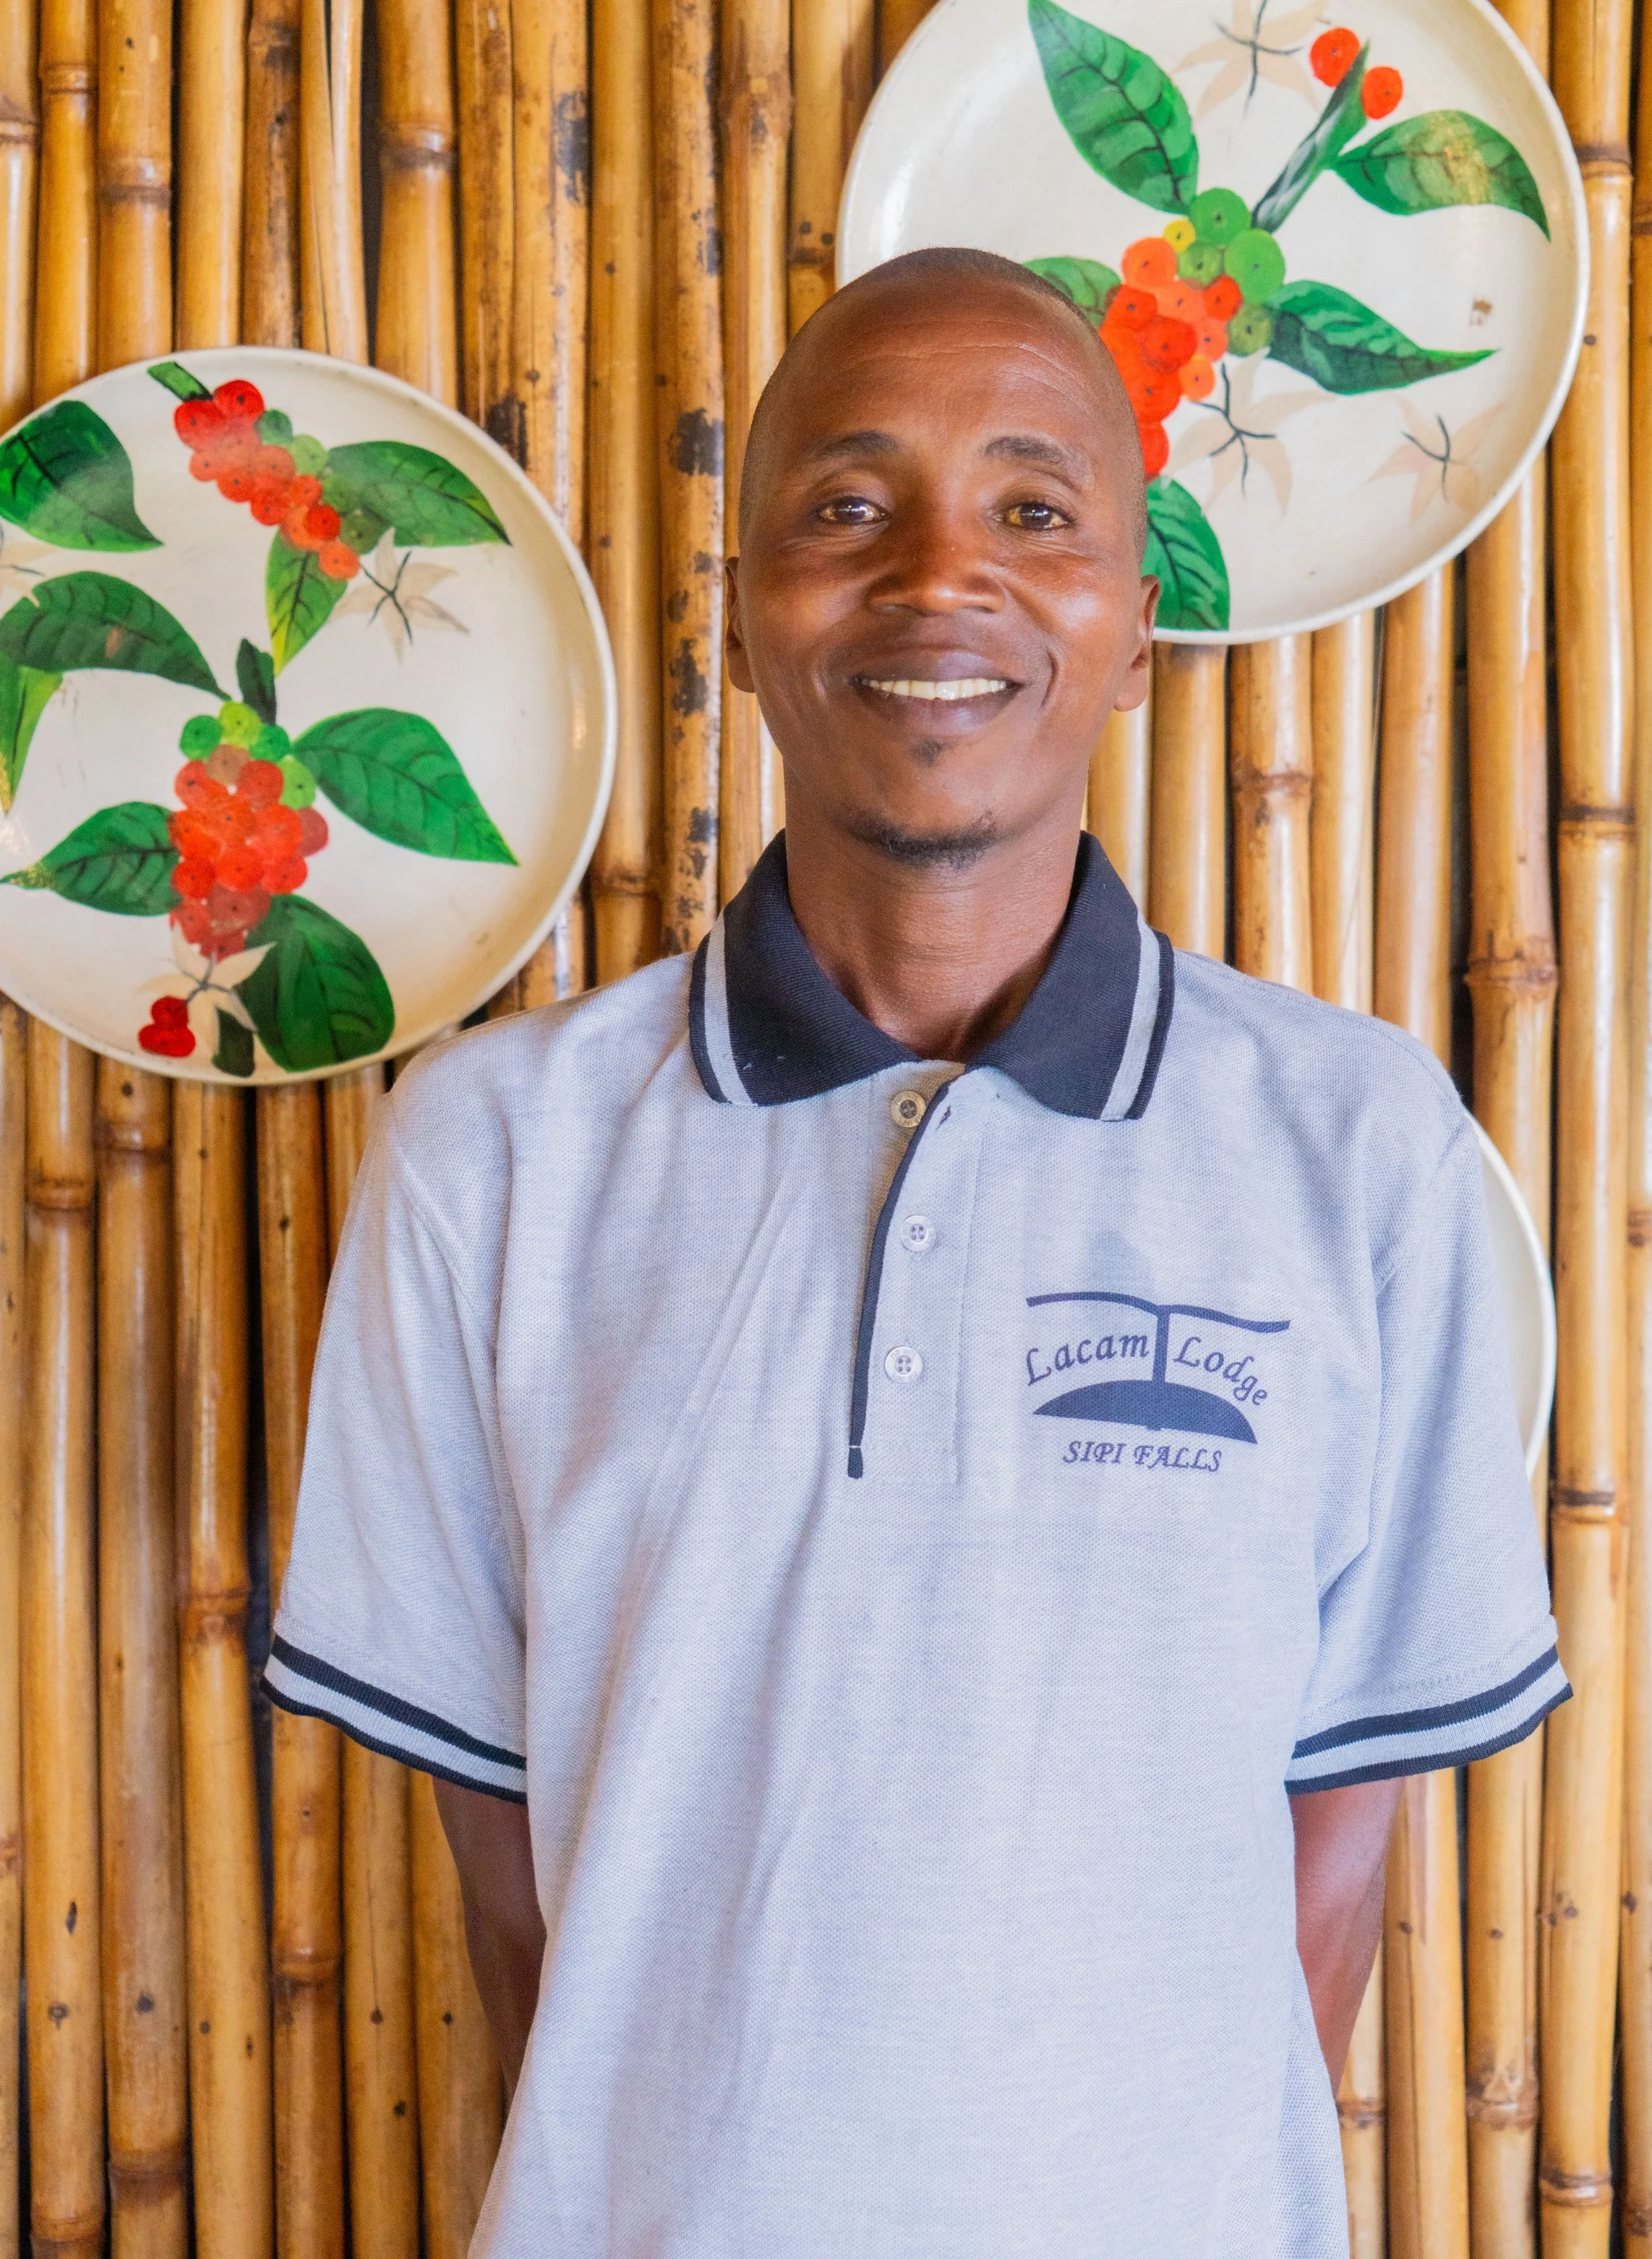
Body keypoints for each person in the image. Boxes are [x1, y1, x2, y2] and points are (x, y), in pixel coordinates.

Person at [266, 246, 1565, 2255]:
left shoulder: (1357, 1152)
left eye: (1034, 509)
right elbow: (511, 1870)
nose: (937, 572)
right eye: (847, 506)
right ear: (747, 611)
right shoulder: (492, 1156)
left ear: (1133, 624)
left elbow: (1325, 1859)